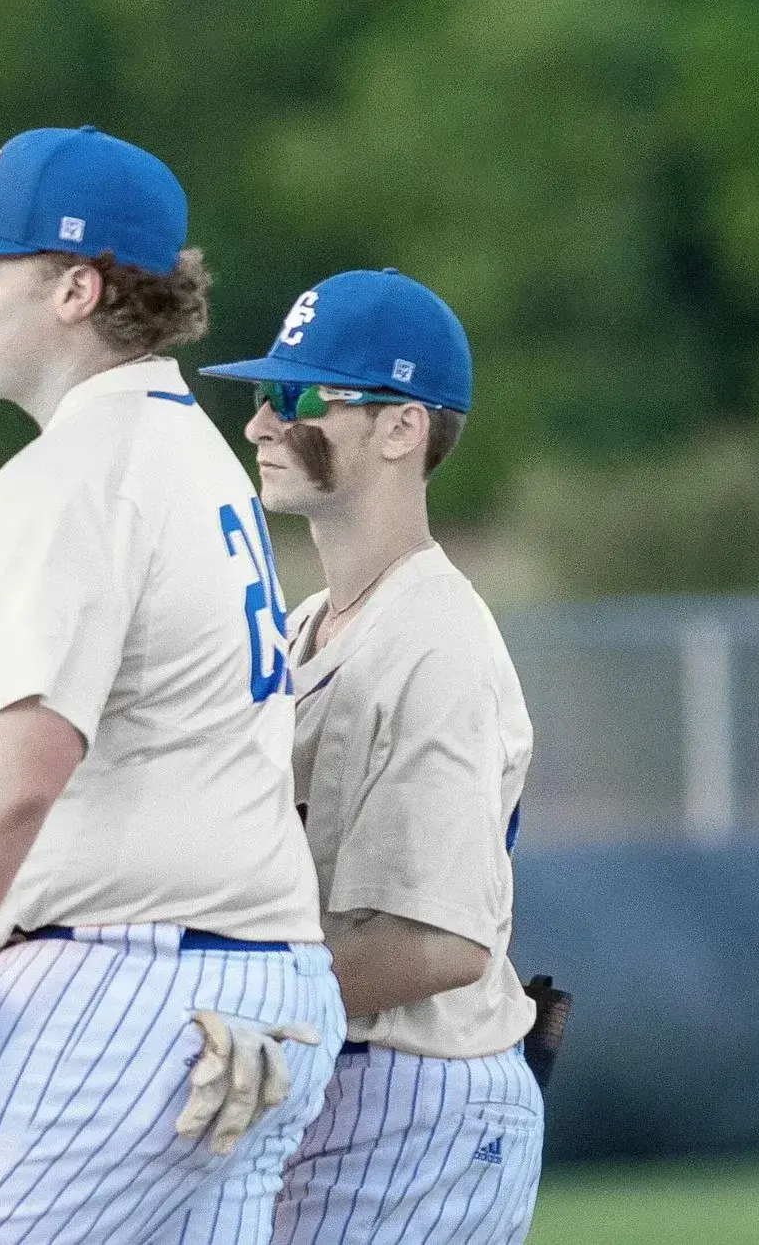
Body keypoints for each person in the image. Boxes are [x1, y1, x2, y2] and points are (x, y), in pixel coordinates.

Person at [0, 126, 341, 1240]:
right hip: (268, 988)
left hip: (117, 996)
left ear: (76, 289)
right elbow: (102, 738)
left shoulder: (64, 481)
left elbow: (16, 780)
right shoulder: (193, 458)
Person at [202, 270, 544, 1241]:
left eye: (298, 396)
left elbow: (444, 943)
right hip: (340, 1077)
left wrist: (222, 1002)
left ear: (401, 427)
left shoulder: (435, 640)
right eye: (262, 395)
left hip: (418, 1099)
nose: (261, 424)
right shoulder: (308, 622)